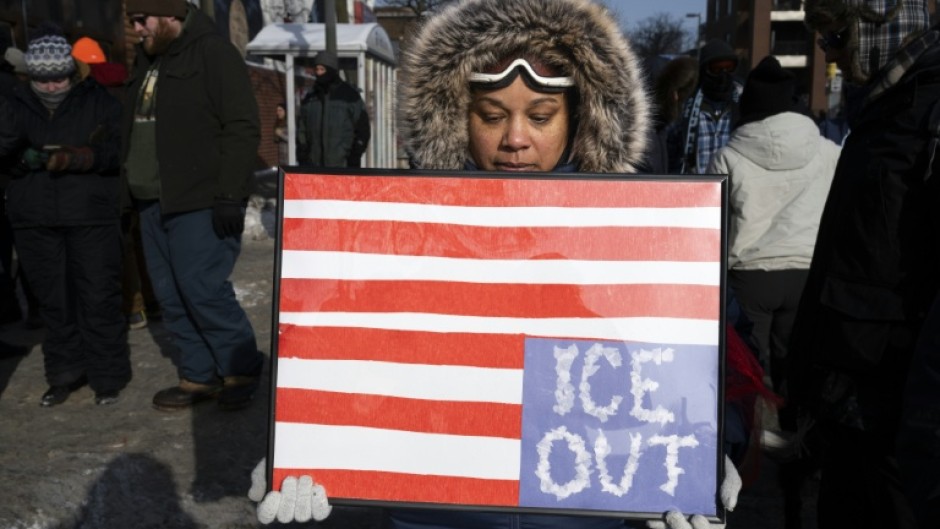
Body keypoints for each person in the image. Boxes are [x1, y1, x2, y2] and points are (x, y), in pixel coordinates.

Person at [248, 1, 741, 529]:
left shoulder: (642, 238)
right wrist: (301, 447)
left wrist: (699, 452)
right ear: (459, 117)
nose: (515, 138)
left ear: (579, 120)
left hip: (582, 513)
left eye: (540, 115)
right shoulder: (400, 233)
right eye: (491, 115)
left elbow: (682, 369)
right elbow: (347, 361)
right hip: (438, 516)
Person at [788, 1, 940, 528]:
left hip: (899, 408)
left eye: (835, 37)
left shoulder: (928, 107)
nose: (828, 54)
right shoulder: (879, 108)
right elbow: (846, 254)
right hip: (849, 396)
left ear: (877, 27)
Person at [123, 0, 264, 411]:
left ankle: (240, 369)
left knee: (202, 290)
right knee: (170, 295)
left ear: (171, 15)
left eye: (142, 19)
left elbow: (242, 124)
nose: (136, 27)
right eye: (132, 20)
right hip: (152, 201)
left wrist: (230, 194)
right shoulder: (146, 61)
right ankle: (198, 376)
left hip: (200, 199)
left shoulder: (212, 52)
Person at [0, 23, 129, 405]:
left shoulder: (99, 101)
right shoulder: (15, 102)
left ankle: (107, 378)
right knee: (54, 302)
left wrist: (81, 157)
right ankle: (63, 374)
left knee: (98, 297)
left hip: (90, 215)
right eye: (44, 80)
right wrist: (18, 158)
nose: (52, 87)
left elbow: (117, 153)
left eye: (59, 78)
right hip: (35, 217)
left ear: (71, 73)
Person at [668, 40, 743, 174]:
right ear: (705, 70)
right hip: (696, 187)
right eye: (716, 69)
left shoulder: (743, 103)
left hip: (733, 187)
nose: (723, 74)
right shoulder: (687, 105)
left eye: (729, 67)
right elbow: (671, 150)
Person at [296, 51, 370, 167]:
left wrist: (354, 155)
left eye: (322, 69)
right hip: (314, 167)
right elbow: (302, 129)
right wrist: (302, 153)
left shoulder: (350, 96)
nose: (319, 73)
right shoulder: (310, 98)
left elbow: (362, 129)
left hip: (343, 166)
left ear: (331, 70)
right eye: (317, 70)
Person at [273, 102, 289, 166]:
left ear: (285, 111)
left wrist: (281, 134)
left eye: (280, 110)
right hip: (281, 156)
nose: (278, 113)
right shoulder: (278, 123)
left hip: (289, 157)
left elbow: (292, 139)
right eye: (277, 111)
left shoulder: (289, 123)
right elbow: (276, 140)